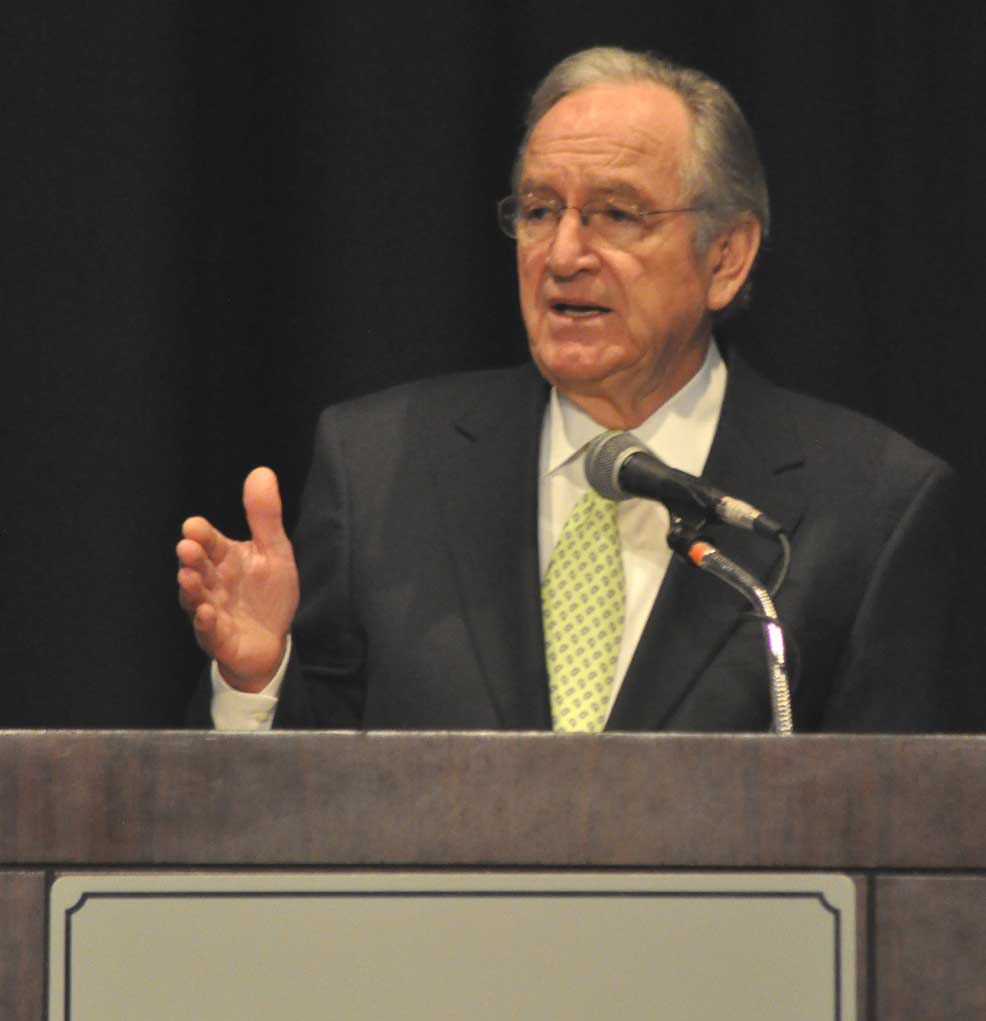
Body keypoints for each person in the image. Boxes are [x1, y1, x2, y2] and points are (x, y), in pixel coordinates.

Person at [177, 46, 957, 733]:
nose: (563, 254)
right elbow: (306, 813)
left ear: (725, 257)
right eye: (541, 211)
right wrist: (255, 680)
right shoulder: (379, 469)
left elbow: (903, 837)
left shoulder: (873, 506)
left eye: (616, 215)